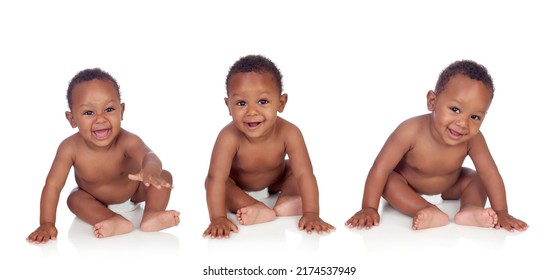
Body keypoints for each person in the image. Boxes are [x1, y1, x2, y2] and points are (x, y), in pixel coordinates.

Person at [345, 60, 528, 232]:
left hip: (449, 187)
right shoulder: (409, 130)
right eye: (455, 110)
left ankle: (470, 209)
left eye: (475, 117)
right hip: (408, 187)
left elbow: (490, 173)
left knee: (477, 178)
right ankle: (426, 209)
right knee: (388, 181)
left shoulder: (474, 139)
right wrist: (368, 207)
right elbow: (381, 167)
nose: (463, 123)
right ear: (432, 102)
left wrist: (502, 211)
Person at [26, 68, 180, 244]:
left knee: (164, 176)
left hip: (134, 193)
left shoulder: (127, 140)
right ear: (72, 119)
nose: (100, 119)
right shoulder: (69, 148)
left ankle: (152, 214)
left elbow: (149, 155)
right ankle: (112, 219)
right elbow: (52, 186)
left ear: (121, 110)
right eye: (88, 112)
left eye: (109, 109)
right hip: (95, 200)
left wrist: (150, 170)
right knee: (75, 198)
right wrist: (46, 223)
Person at [203, 54, 335, 239]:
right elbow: (216, 178)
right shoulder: (228, 137)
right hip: (238, 185)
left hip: (275, 180)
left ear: (281, 103)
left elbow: (305, 174)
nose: (252, 112)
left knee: (294, 170)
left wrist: (312, 213)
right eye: (241, 103)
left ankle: (287, 200)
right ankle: (254, 206)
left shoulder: (290, 132)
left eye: (263, 101)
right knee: (213, 183)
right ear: (228, 105)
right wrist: (217, 218)